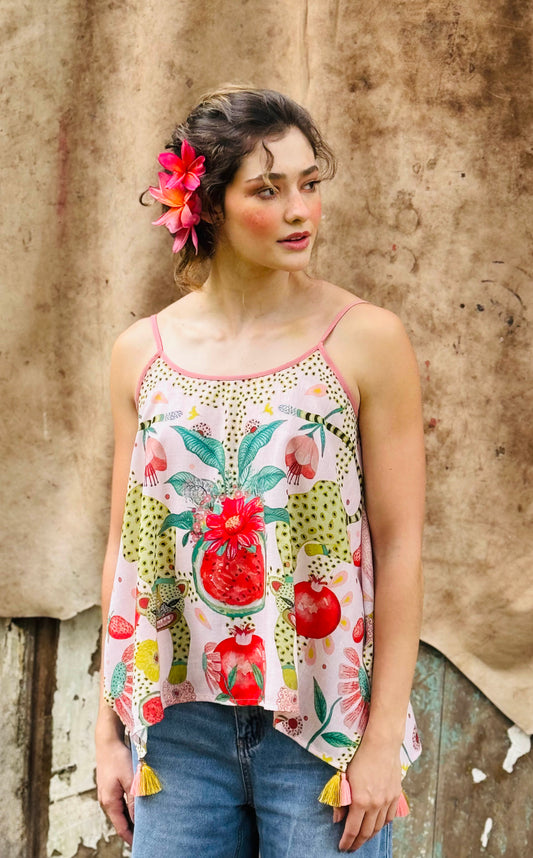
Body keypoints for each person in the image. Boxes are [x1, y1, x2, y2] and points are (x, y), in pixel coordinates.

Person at [95, 86, 425, 857]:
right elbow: (121, 552)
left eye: (309, 184)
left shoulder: (366, 340)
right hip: (176, 735)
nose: (298, 210)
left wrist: (379, 743)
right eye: (266, 190)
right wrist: (108, 730)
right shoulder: (140, 352)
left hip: (320, 736)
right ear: (205, 204)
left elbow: (400, 543)